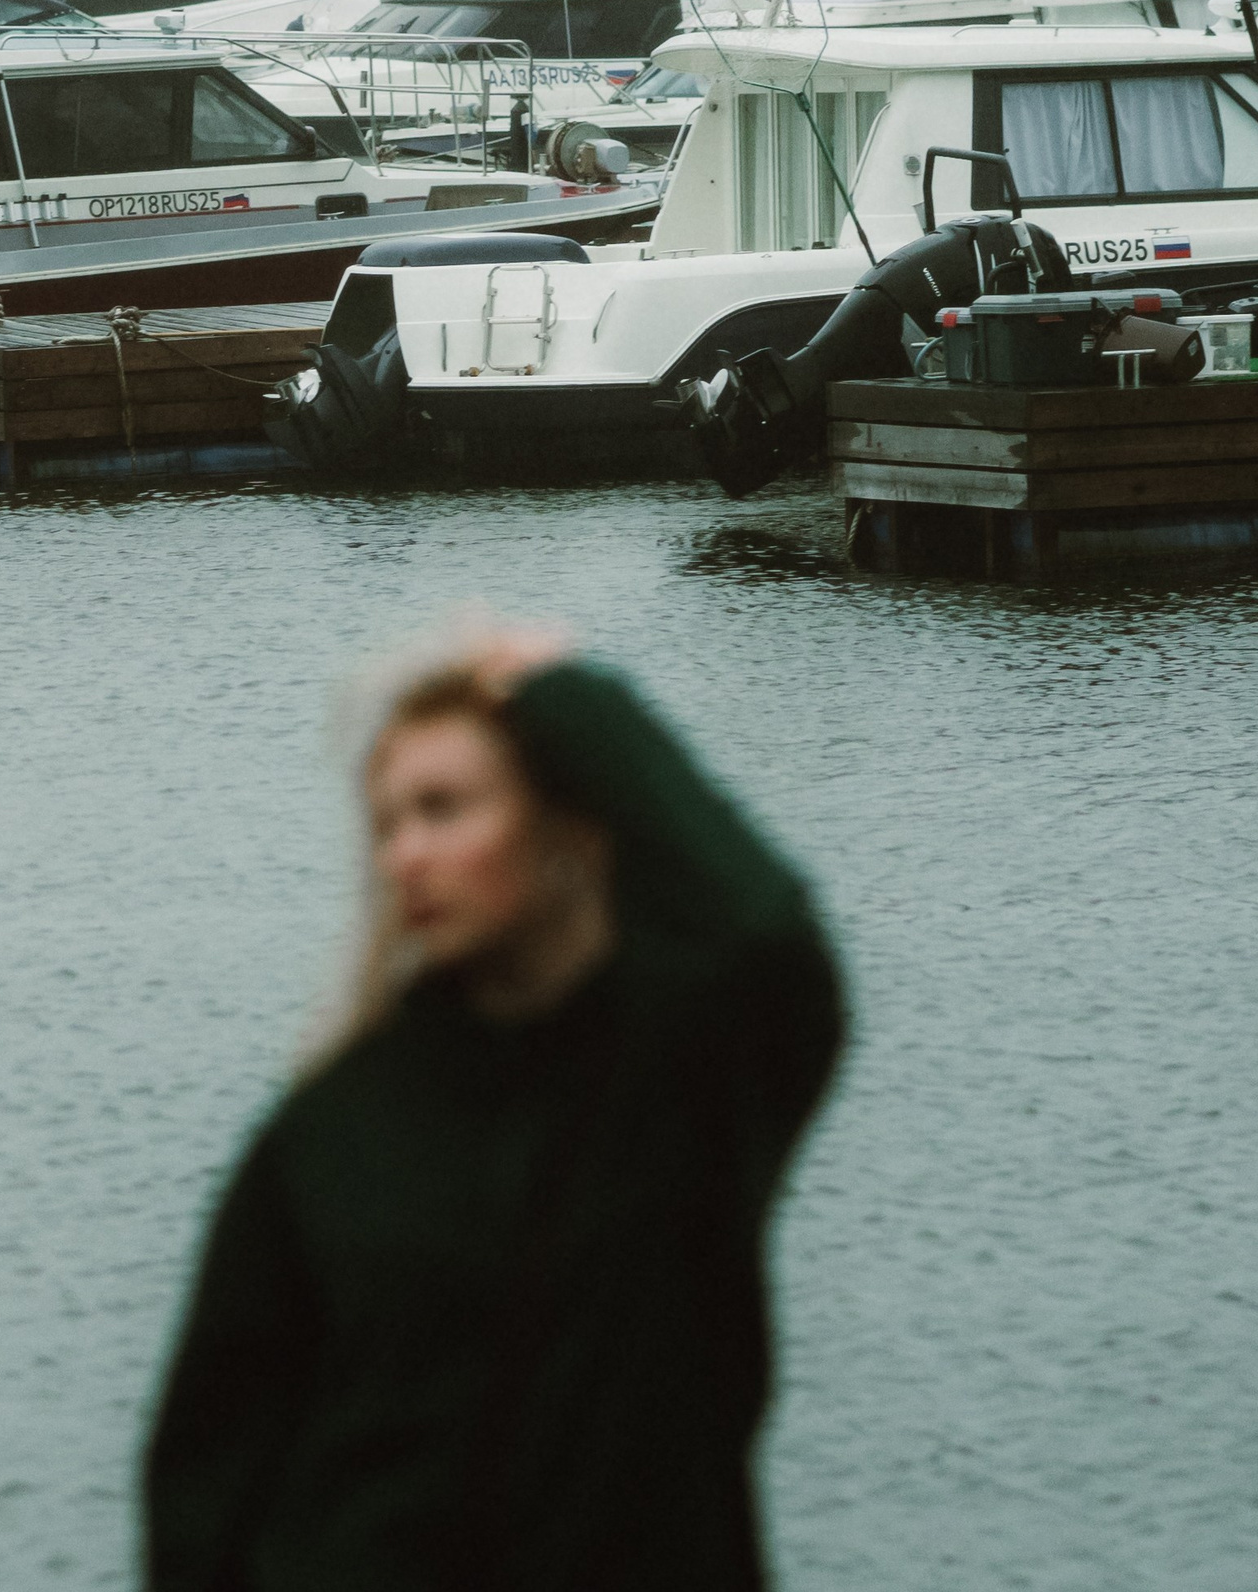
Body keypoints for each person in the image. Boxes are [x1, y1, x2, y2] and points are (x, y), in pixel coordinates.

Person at [143, 625, 844, 1591]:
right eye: (388, 823)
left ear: (564, 821)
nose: (407, 856)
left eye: (445, 809)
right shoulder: (334, 1130)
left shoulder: (676, 1078)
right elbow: (206, 1482)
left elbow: (767, 941)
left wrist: (568, 697)